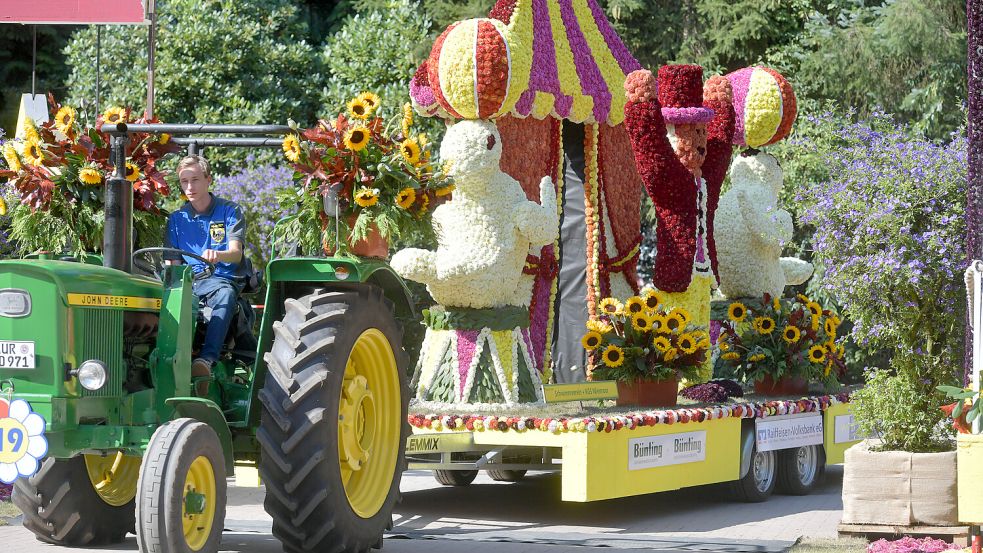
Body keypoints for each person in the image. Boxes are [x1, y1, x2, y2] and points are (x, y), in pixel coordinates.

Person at [165, 155, 252, 395]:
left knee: (224, 294)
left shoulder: (229, 211)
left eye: (195, 180)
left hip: (221, 278)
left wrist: (218, 254)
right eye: (184, 181)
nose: (189, 187)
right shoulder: (176, 219)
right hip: (191, 282)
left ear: (208, 180)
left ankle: (206, 361)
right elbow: (173, 261)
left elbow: (236, 254)